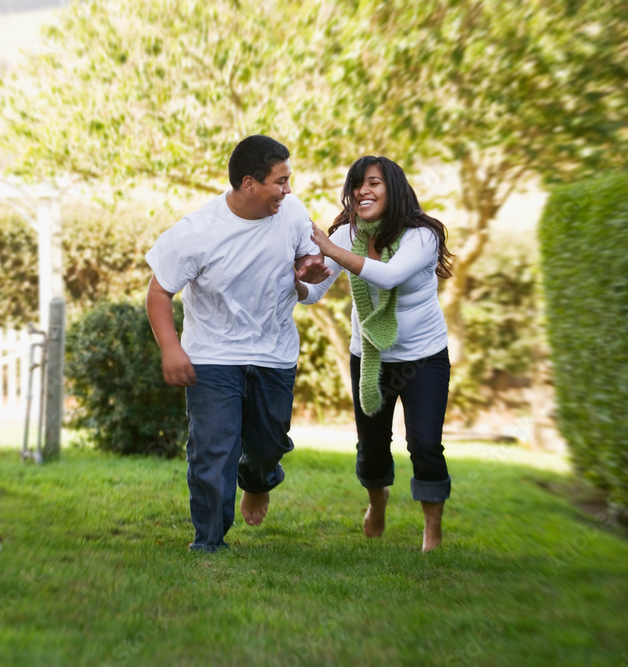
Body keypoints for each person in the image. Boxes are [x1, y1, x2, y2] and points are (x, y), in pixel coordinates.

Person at [145, 135, 331, 553]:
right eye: (280, 182)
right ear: (249, 183)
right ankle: (209, 541)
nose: (288, 190)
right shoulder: (197, 232)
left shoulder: (292, 211)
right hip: (213, 355)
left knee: (269, 443)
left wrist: (310, 268)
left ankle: (258, 477)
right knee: (213, 449)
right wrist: (171, 349)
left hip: (274, 352)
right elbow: (158, 293)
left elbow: (305, 261)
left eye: (289, 180)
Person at [299, 155, 455, 552]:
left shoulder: (421, 235)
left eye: (373, 183)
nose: (362, 191)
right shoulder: (349, 234)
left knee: (424, 444)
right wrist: (300, 280)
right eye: (356, 185)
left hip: (423, 357)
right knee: (371, 444)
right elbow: (314, 295)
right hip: (370, 357)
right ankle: (377, 503)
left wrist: (331, 250)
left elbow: (387, 274)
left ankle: (431, 530)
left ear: (394, 188)